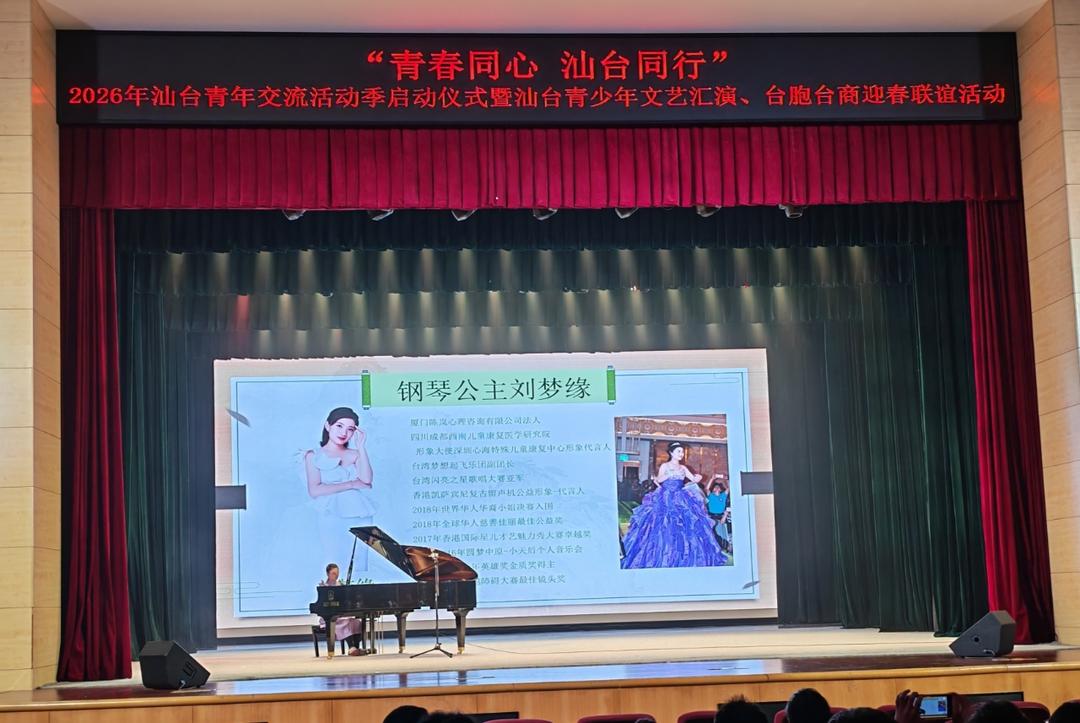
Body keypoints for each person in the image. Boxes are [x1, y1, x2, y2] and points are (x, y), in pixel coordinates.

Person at [621, 441, 727, 569]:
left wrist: (698, 478)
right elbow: (658, 480)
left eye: (682, 452)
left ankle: (684, 557)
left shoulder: (683, 468)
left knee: (687, 525)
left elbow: (693, 479)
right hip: (665, 497)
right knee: (663, 524)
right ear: (671, 452)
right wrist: (669, 474)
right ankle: (662, 556)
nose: (681, 454)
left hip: (681, 497)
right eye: (679, 451)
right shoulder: (665, 466)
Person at [304, 406, 376, 573]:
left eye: (350, 429)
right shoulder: (313, 455)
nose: (344, 432)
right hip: (331, 514)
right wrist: (352, 484)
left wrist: (361, 446)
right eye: (339, 426)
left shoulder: (356, 454)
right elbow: (315, 490)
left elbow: (366, 480)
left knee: (359, 559)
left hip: (360, 514)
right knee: (333, 560)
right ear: (328, 426)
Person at [318, 563, 364, 656]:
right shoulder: (324, 587)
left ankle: (356, 647)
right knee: (346, 622)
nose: (336, 575)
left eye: (337, 573)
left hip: (341, 615)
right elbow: (322, 605)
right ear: (328, 574)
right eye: (333, 573)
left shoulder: (340, 586)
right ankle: (351, 647)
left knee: (356, 622)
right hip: (329, 617)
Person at [706, 476, 731, 553]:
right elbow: (707, 489)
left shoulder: (723, 495)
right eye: (715, 487)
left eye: (718, 487)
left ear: (720, 489)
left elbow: (729, 488)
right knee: (712, 534)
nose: (716, 488)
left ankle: (725, 547)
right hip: (711, 516)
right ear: (713, 489)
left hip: (721, 516)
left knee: (721, 532)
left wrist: (726, 479)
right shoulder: (710, 495)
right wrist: (712, 479)